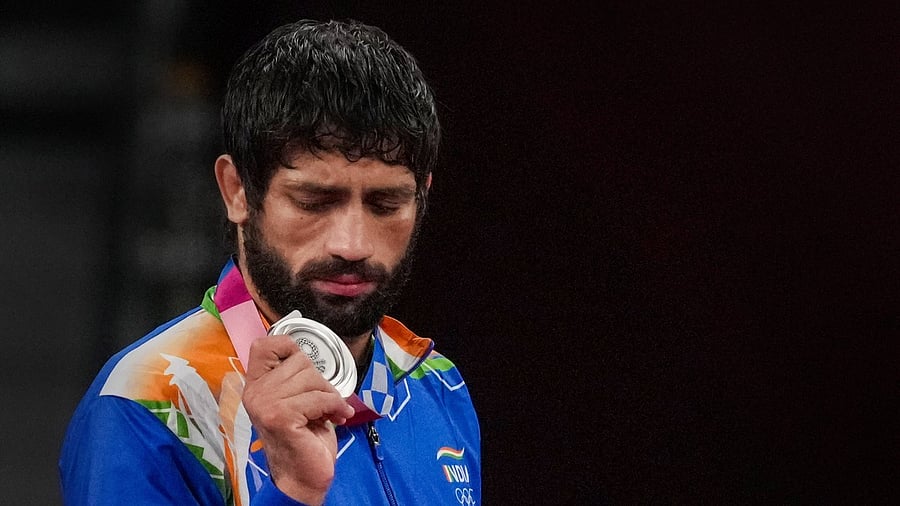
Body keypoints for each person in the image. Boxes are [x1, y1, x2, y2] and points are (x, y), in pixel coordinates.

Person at [59, 19, 481, 505]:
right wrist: (294, 493)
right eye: (314, 201)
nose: (352, 244)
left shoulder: (437, 386)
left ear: (421, 198)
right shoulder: (148, 405)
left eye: (386, 204)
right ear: (236, 191)